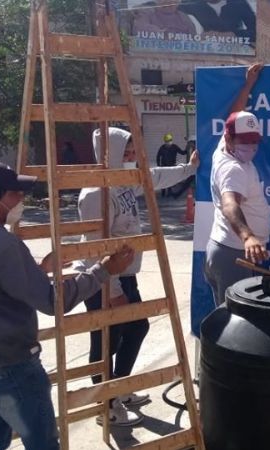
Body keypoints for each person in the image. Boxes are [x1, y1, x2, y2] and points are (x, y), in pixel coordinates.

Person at [0, 161, 135, 450]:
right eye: (14, 193)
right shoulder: (3, 243)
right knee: (43, 443)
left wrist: (37, 269)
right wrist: (104, 269)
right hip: (8, 370)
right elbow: (54, 301)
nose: (21, 199)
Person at [74, 127, 198, 427]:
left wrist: (189, 169)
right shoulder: (95, 193)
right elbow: (94, 248)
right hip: (101, 279)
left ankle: (120, 387)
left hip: (125, 274)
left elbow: (154, 177)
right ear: (109, 153)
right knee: (105, 341)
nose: (131, 157)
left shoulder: (124, 182)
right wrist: (113, 288)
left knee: (137, 328)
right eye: (126, 152)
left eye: (132, 152)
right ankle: (107, 404)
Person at [204, 63, 269, 307]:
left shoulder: (225, 148)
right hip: (234, 254)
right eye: (246, 141)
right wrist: (248, 237)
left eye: (255, 141)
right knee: (234, 325)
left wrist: (249, 84)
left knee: (229, 320)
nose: (251, 147)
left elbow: (235, 114)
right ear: (231, 139)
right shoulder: (234, 168)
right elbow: (229, 204)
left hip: (227, 252)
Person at [156, 133, 186, 198]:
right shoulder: (162, 148)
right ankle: (163, 193)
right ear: (165, 142)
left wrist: (188, 146)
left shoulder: (174, 147)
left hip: (172, 167)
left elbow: (183, 152)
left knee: (170, 180)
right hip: (164, 167)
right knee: (163, 180)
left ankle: (169, 193)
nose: (169, 143)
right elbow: (158, 157)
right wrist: (159, 166)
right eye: (167, 141)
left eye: (170, 141)